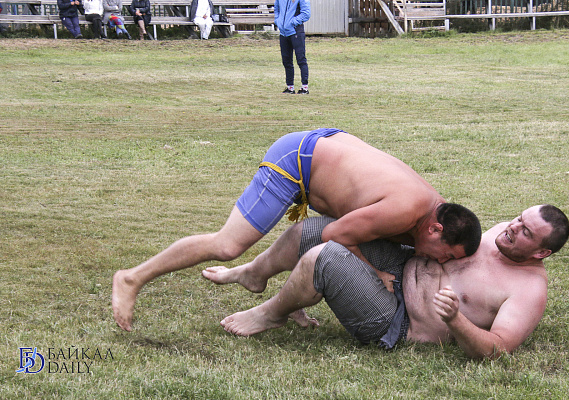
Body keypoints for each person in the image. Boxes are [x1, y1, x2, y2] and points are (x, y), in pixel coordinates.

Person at [112, 128, 481, 331]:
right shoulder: (404, 211)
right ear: (435, 230)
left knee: (322, 239)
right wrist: (376, 273)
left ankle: (271, 290)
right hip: (297, 160)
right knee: (227, 246)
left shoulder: (436, 209)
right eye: (446, 256)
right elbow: (334, 237)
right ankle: (132, 278)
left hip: (328, 148)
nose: (441, 262)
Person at [215, 205, 569, 359]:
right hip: (401, 264)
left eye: (526, 232)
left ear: (542, 253)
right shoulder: (502, 232)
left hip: (397, 321)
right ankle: (255, 273)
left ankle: (271, 313)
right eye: (518, 219)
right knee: (321, 229)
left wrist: (455, 319)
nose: (512, 228)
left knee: (326, 257)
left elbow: (498, 349)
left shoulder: (529, 291)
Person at [274, 0, 310, 94]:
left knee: (301, 59)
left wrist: (292, 22)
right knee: (286, 61)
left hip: (296, 31)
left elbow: (306, 14)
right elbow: (276, 9)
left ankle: (304, 87)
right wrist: (278, 21)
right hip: (283, 33)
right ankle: (290, 87)